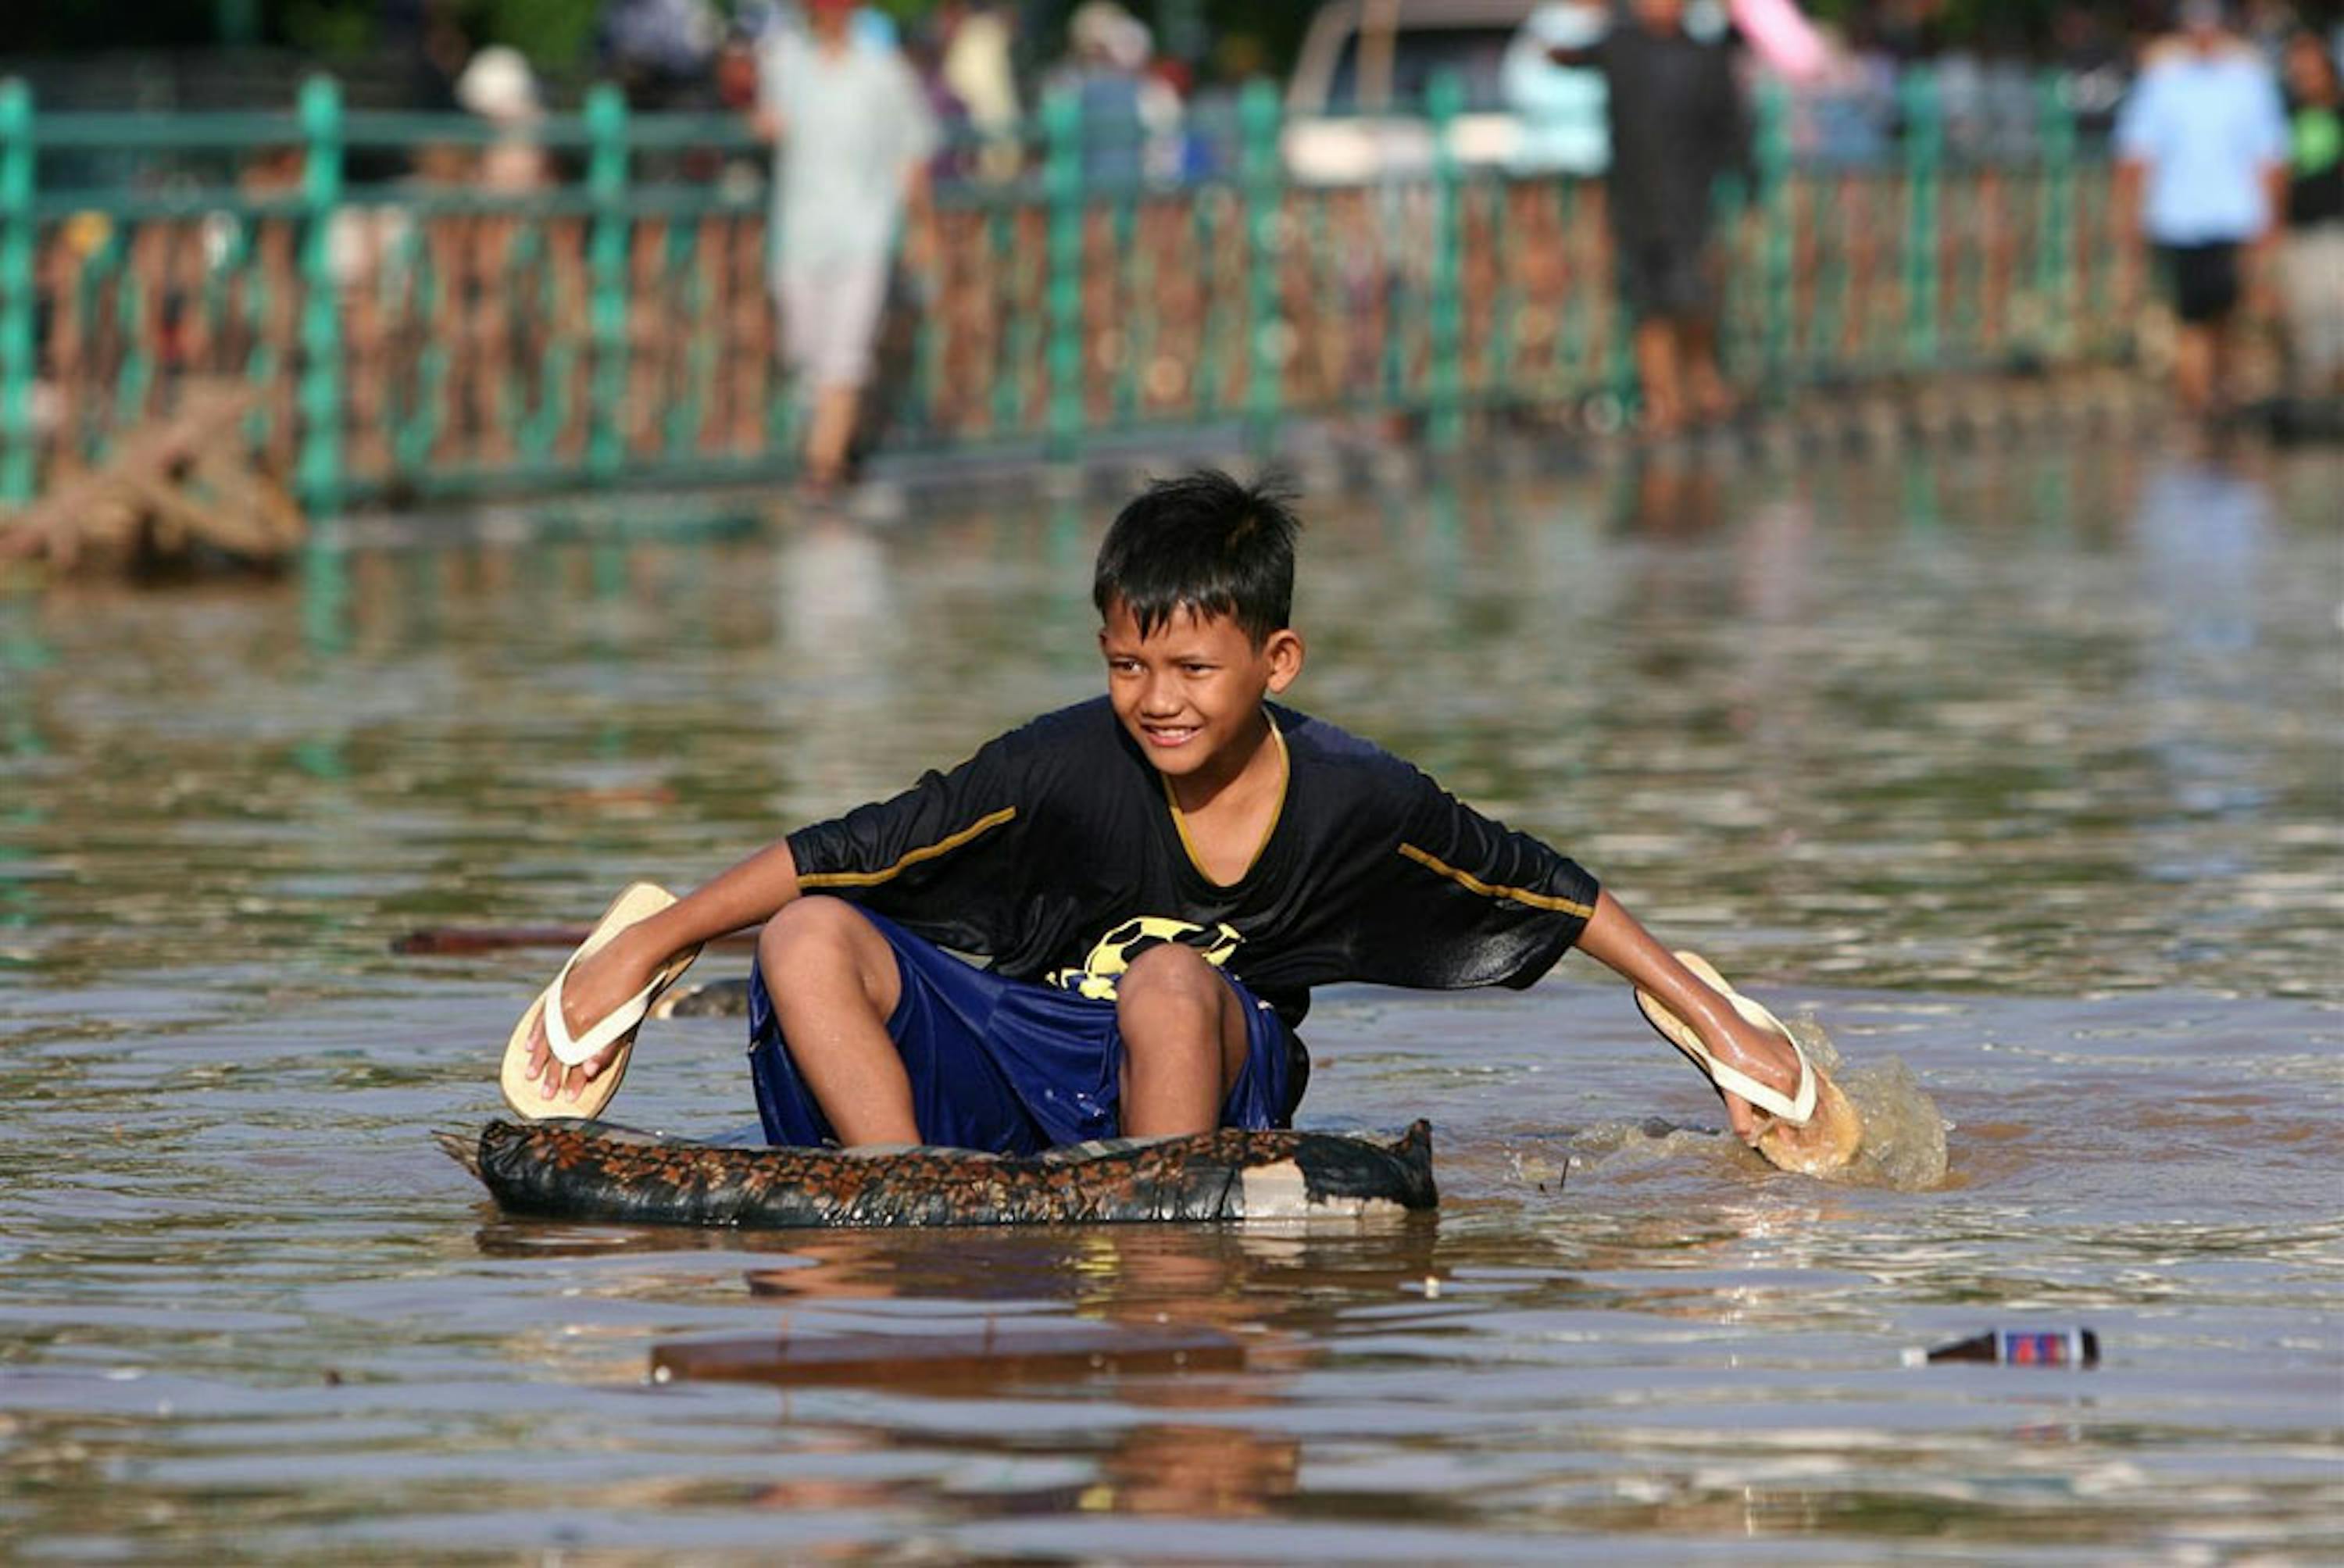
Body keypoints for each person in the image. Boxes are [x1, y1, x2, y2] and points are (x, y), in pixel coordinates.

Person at [512, 470, 1854, 1171]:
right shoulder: (1057, 763)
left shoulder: (1355, 793)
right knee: (807, 934)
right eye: (1127, 666)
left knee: (1170, 974)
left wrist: (1723, 1027)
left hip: (1211, 1064)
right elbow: (863, 841)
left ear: (1278, 662)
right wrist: (646, 945)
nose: (1156, 701)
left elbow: (1545, 889)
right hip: (1034, 1056)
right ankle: (903, 1192)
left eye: (1193, 671)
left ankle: (1163, 1211)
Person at [755, 0, 939, 496]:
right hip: (799, 233)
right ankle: (841, 445)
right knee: (805, 350)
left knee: (844, 351)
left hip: (864, 233)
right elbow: (769, 126)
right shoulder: (785, 62)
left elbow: (911, 154)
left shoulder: (883, 73)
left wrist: (921, 228)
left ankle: (822, 467)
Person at [1549, 0, 1752, 437]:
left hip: (1691, 195)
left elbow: (1731, 123)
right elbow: (1568, 56)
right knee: (1647, 300)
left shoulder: (1703, 56)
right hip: (1636, 196)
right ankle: (1662, 397)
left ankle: (1702, 379)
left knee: (1695, 292)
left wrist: (1743, 175)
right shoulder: (1621, 48)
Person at [2114, 1, 2290, 419]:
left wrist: (2272, 219)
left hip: (2234, 216)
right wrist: (2126, 216)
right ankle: (2197, 409)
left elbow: (2270, 157)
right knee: (2191, 318)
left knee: (2226, 315)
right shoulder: (2163, 82)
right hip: (2179, 218)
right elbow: (2135, 156)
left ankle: (2215, 403)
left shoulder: (2249, 81)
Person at [2277, 28, 2344, 397]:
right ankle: (2319, 399)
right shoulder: (2283, 114)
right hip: (2301, 232)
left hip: (2338, 230)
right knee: (2310, 325)